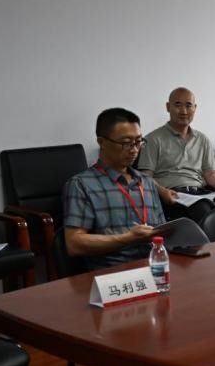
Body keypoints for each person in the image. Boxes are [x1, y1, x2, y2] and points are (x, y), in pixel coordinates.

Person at [63, 108, 166, 270]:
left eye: (138, 142)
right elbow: (74, 244)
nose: (134, 149)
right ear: (102, 142)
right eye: (126, 143)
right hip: (112, 273)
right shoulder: (82, 184)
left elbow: (162, 231)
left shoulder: (147, 182)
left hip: (154, 267)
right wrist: (128, 238)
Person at [137, 87, 215, 224]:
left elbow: (210, 173)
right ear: (168, 107)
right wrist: (162, 192)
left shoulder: (202, 139)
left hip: (200, 193)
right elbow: (145, 177)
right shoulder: (153, 139)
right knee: (203, 210)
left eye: (188, 105)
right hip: (172, 195)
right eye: (178, 105)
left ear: (195, 108)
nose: (184, 111)